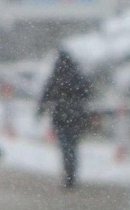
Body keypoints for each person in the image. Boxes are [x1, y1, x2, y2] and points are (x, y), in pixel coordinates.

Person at [37, 50, 92, 189]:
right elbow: (87, 92)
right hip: (76, 117)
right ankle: (71, 174)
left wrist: (40, 110)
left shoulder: (57, 76)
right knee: (73, 147)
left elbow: (46, 94)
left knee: (65, 147)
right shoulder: (77, 76)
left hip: (61, 117)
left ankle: (68, 175)